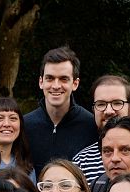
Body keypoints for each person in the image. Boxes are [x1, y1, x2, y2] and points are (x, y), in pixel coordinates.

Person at [23, 46, 98, 174]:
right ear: (41, 82)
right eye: (50, 78)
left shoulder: (92, 125)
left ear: (75, 83)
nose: (56, 86)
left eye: (63, 79)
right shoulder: (24, 125)